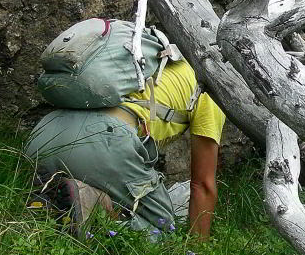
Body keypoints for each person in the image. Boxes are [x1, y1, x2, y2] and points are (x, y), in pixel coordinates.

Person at [25, 58, 225, 239]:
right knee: (164, 231)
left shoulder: (154, 58)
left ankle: (50, 206)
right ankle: (95, 205)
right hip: (105, 140)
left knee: (117, 185)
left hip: (44, 133)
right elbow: (202, 185)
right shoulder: (210, 85)